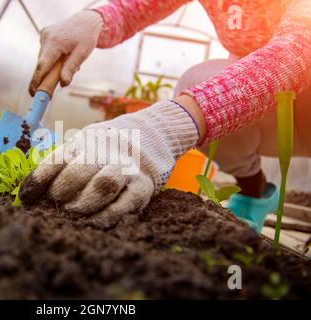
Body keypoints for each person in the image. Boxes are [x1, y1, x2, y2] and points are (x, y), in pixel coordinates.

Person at [19, 0, 311, 232]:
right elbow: (138, 6)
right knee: (199, 80)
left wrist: (163, 127)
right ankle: (255, 195)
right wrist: (95, 19)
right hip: (265, 107)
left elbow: (298, 50)